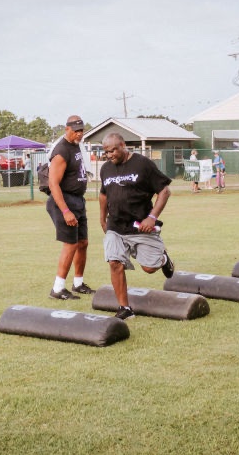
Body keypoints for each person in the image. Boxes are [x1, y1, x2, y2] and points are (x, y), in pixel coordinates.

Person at [98, 132, 175, 320]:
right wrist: (102, 218)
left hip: (141, 226)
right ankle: (125, 308)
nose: (109, 155)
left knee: (149, 268)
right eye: (106, 152)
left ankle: (163, 259)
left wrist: (152, 217)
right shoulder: (106, 169)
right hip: (116, 226)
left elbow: (164, 191)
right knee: (114, 263)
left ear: (123, 145)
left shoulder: (142, 164)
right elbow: (103, 195)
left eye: (113, 150)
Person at [46, 115, 95, 300]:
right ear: (66, 129)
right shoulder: (61, 151)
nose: (79, 134)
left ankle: (78, 283)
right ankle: (58, 288)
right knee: (71, 244)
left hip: (77, 200)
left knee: (83, 243)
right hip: (64, 202)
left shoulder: (76, 146)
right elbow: (53, 184)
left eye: (81, 130)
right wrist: (66, 211)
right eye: (75, 130)